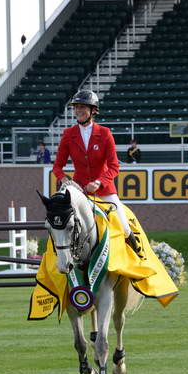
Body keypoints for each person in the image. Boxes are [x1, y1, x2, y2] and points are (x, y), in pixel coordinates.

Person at [52, 90, 140, 253]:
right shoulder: (68, 134)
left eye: (82, 107)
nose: (78, 110)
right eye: (76, 107)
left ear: (93, 111)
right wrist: (64, 179)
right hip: (79, 190)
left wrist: (98, 182)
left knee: (123, 224)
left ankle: (137, 253)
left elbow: (114, 166)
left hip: (104, 190)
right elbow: (57, 166)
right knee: (63, 223)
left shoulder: (105, 133)